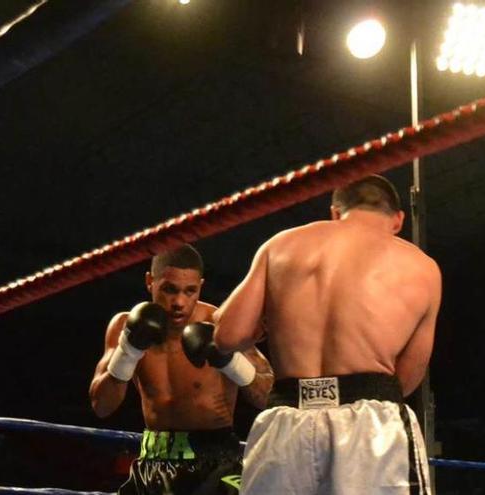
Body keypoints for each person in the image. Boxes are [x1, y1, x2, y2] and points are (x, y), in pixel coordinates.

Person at [186, 175, 442, 494]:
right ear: (399, 220)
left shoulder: (280, 245)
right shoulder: (423, 267)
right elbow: (408, 377)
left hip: (286, 421)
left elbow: (227, 337)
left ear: (335, 212)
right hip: (369, 427)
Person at [89, 244, 274, 495]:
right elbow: (101, 406)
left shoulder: (220, 324)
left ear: (201, 286)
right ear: (149, 282)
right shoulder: (125, 326)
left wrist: (231, 362)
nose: (179, 302)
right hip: (153, 459)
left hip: (215, 462)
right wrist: (128, 352)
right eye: (169, 290)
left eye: (190, 291)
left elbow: (269, 397)